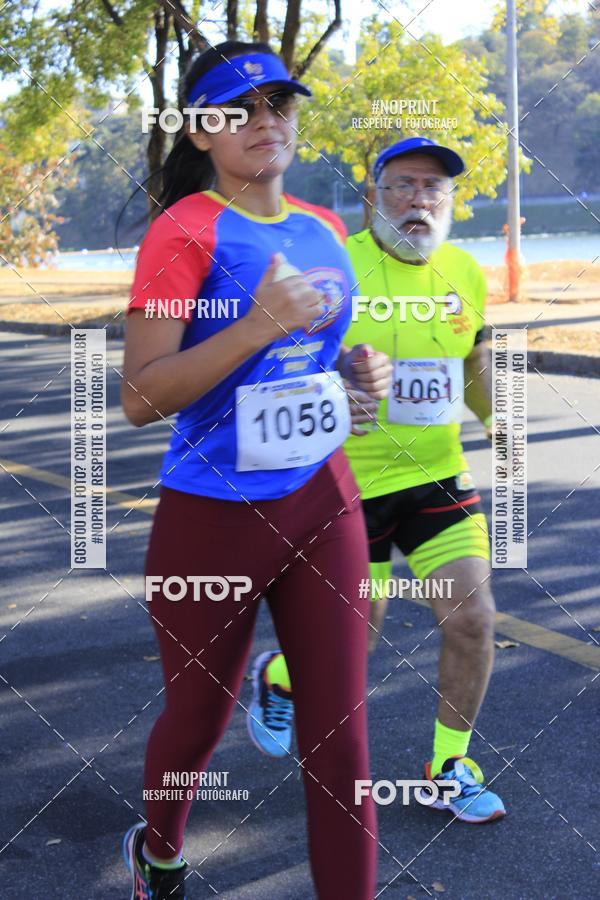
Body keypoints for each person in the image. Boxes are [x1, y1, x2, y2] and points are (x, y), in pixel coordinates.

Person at [120, 40, 392, 900]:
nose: (263, 121)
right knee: (197, 720)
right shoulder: (181, 231)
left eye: (277, 103)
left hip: (323, 499)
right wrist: (255, 326)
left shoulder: (324, 227)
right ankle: (158, 850)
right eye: (237, 110)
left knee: (340, 735)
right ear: (201, 130)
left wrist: (358, 377)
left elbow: (320, 355)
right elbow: (139, 395)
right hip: (213, 515)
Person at [250, 137, 506, 825]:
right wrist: (334, 384)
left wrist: (501, 419)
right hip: (345, 486)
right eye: (402, 185)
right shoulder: (336, 270)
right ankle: (278, 677)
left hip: (436, 479)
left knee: (474, 618)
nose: (420, 200)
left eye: (434, 189)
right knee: (352, 644)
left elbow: (478, 370)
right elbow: (275, 370)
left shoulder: (465, 272)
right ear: (373, 197)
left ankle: (447, 766)